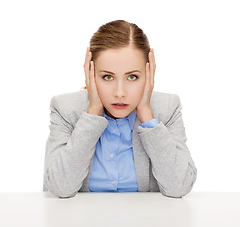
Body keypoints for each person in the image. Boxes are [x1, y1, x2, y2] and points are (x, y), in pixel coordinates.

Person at [43, 20, 197, 198]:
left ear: (149, 74)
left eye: (132, 77)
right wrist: (93, 112)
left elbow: (179, 186)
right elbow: (61, 187)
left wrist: (147, 116)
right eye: (107, 77)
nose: (120, 93)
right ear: (90, 74)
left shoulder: (166, 109)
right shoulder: (66, 109)